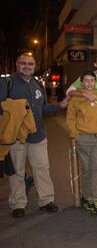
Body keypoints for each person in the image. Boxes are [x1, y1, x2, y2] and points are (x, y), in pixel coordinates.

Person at [0, 53, 68, 218]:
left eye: (30, 63)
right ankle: (18, 203)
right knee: (16, 171)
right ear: (17, 65)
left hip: (38, 136)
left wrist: (60, 105)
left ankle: (46, 200)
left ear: (34, 66)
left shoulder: (38, 84)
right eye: (23, 63)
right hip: (15, 137)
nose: (27, 66)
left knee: (42, 169)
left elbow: (42, 108)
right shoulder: (6, 83)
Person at [67, 52, 97, 202]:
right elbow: (69, 91)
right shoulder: (88, 77)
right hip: (85, 131)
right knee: (87, 166)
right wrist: (84, 95)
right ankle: (89, 194)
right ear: (95, 64)